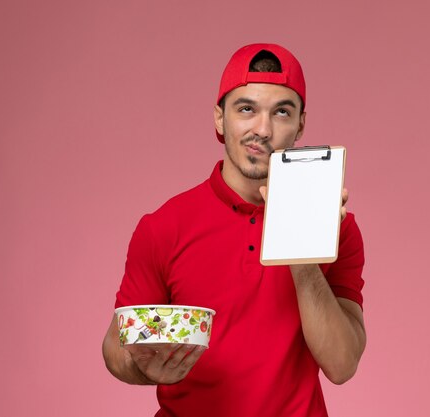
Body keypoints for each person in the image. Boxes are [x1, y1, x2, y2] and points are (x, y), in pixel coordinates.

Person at [102, 43, 366, 417]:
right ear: (219, 119)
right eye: (246, 109)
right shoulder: (164, 226)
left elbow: (342, 366)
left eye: (281, 112)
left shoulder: (338, 229)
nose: (263, 128)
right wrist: (144, 369)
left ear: (300, 124)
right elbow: (116, 345)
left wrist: (302, 246)